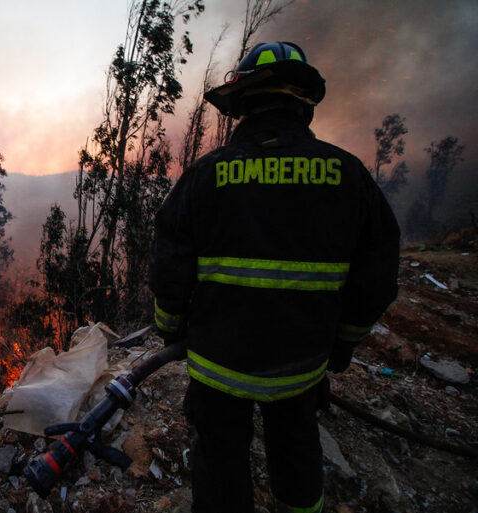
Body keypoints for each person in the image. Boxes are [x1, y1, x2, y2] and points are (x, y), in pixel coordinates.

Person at [148, 41, 399, 513]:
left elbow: (169, 266)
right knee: (298, 458)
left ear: (242, 107)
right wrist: (343, 342)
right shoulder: (348, 175)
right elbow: (377, 277)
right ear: (304, 106)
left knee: (221, 463)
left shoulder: (205, 175)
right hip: (301, 365)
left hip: (219, 366)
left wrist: (170, 327)